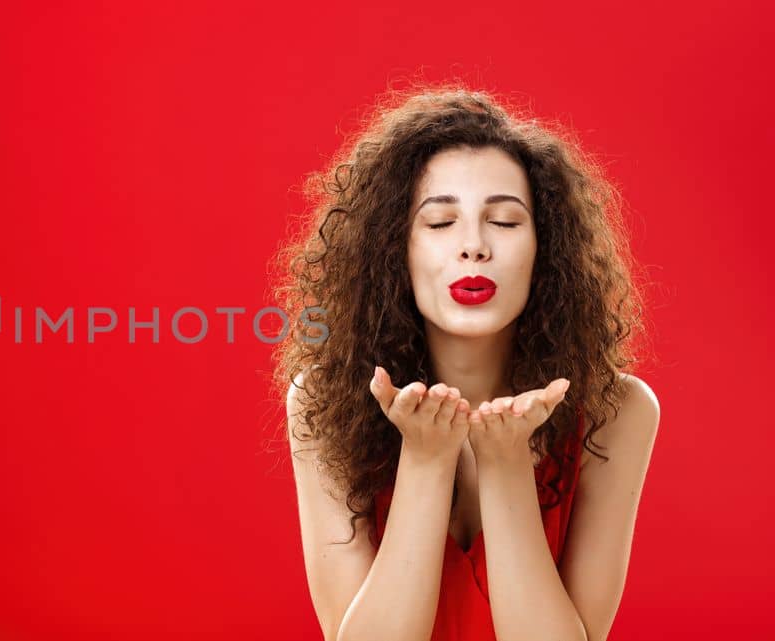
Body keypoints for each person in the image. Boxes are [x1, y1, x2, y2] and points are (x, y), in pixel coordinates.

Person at [272, 87, 660, 641]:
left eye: (504, 222)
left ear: (544, 249)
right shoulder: (321, 399)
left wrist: (504, 463)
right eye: (439, 223)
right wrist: (427, 460)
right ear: (394, 251)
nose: (474, 246)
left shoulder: (618, 410)